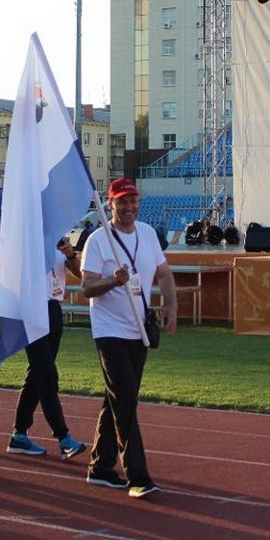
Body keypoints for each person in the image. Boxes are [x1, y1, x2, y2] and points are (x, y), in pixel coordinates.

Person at [80, 178, 177, 499]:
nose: (129, 207)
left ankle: (100, 467)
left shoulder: (148, 234)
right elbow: (88, 288)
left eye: (133, 201)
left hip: (139, 329)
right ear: (111, 204)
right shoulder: (98, 240)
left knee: (117, 399)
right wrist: (113, 280)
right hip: (109, 331)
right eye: (122, 202)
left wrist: (171, 306)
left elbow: (163, 273)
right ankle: (138, 475)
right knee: (125, 400)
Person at [5, 237, 87, 459]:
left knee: (36, 375)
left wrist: (70, 254)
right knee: (47, 375)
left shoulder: (59, 240)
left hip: (53, 309)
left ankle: (19, 435)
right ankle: (63, 438)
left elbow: (79, 274)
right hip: (32, 309)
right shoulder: (28, 240)